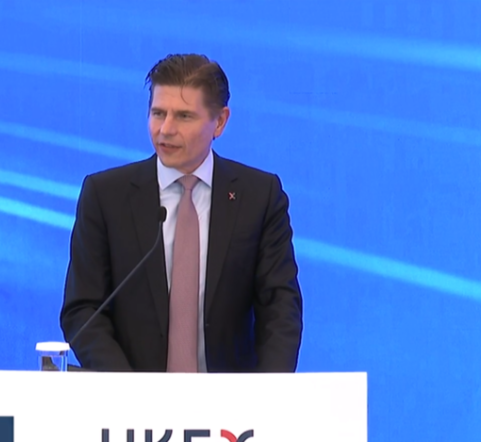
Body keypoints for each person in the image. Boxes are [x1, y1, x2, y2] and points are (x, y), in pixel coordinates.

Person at [60, 53, 302, 373]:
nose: (166, 129)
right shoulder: (105, 195)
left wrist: (265, 393)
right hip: (130, 398)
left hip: (231, 401)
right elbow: (83, 310)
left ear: (219, 121)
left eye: (184, 116)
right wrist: (127, 390)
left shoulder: (259, 196)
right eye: (158, 113)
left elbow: (281, 309)